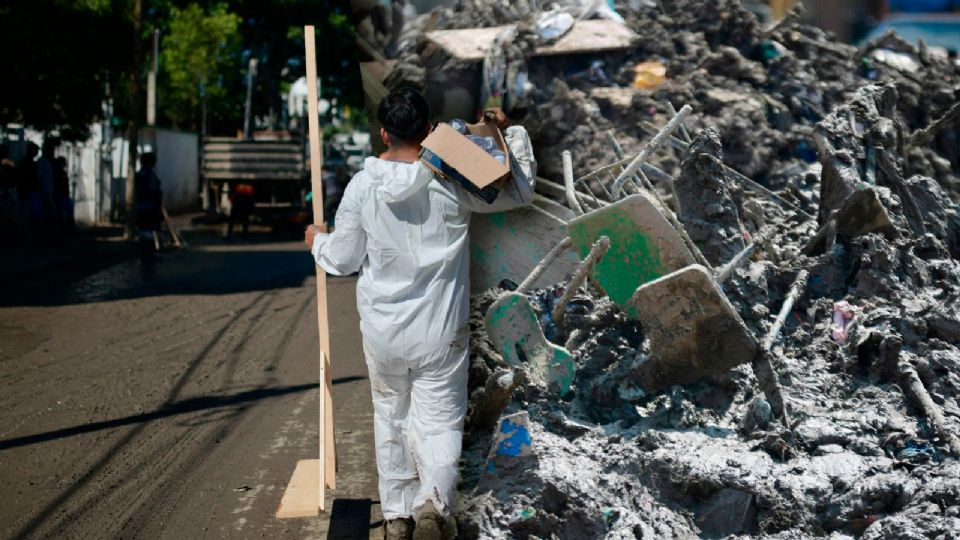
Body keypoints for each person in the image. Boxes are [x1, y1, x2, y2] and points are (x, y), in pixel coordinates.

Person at [304, 88, 536, 540]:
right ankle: (433, 501)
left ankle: (396, 516)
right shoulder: (452, 178)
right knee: (441, 420)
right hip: (440, 331)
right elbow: (520, 191)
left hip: (384, 331)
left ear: (383, 133)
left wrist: (317, 239)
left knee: (389, 415)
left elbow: (344, 259)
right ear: (430, 131)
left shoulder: (362, 185)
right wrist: (507, 134)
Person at [135, 152, 163, 260]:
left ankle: (145, 254)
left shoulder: (140, 174)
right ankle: (149, 254)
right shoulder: (149, 174)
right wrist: (158, 201)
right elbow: (153, 190)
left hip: (141, 207)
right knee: (149, 231)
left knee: (144, 231)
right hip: (150, 207)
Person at [53, 156, 74, 231]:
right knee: (60, 213)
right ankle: (61, 228)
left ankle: (67, 227)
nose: (65, 164)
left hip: (64, 194)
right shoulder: (57, 172)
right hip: (60, 194)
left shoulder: (62, 172)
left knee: (68, 210)